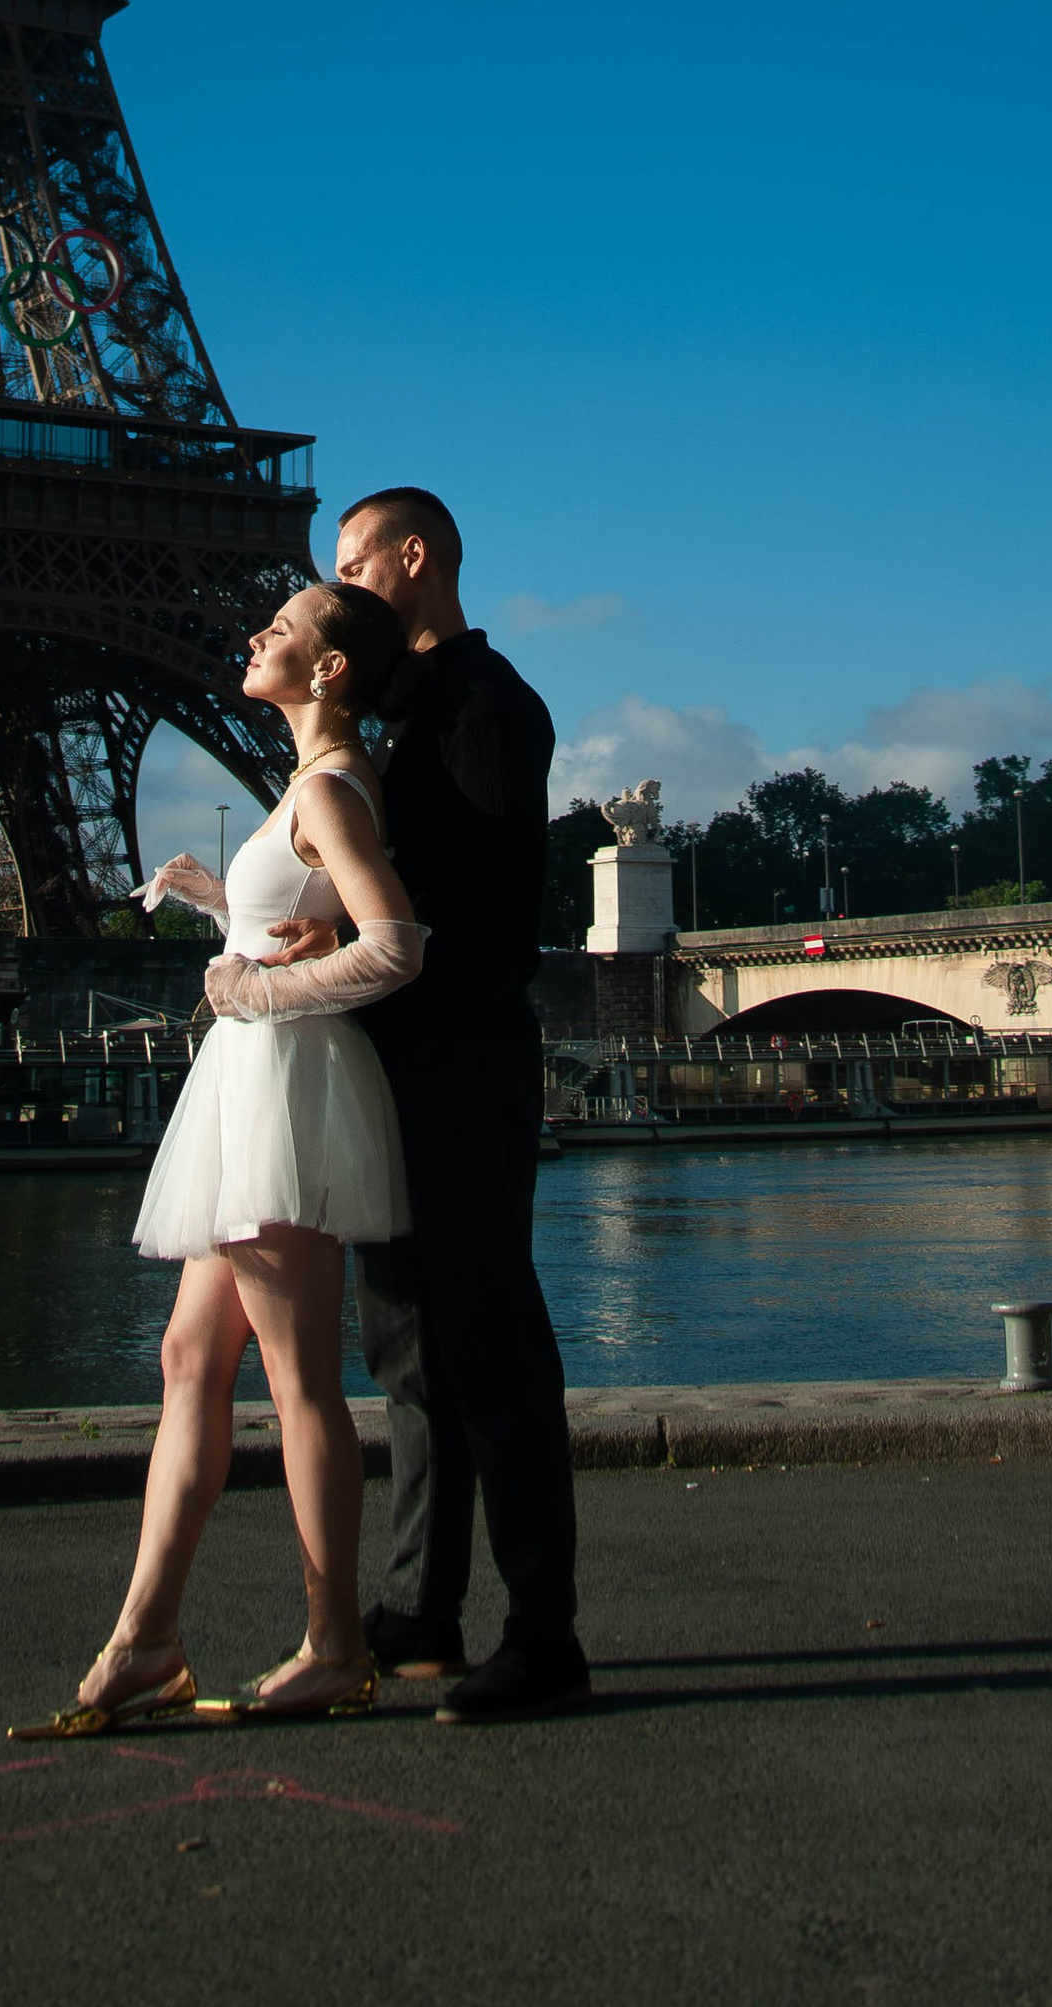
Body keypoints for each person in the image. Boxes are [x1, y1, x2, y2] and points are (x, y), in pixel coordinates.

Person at [17, 576, 420, 1737]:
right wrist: (219, 914)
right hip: (253, 1081)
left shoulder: (333, 785)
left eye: (282, 628)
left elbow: (395, 947)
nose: (256, 634)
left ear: (331, 668)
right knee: (189, 1355)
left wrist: (256, 983)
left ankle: (333, 1643)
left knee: (298, 1381)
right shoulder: (311, 781)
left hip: (279, 1084)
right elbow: (305, 913)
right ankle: (145, 1639)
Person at [327, 485, 589, 1722]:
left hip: (459, 1054)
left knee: (485, 1343)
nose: (338, 588)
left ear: (413, 556)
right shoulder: (407, 712)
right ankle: (420, 1611)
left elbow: (481, 916)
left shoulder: (483, 707)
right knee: (410, 1350)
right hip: (409, 1057)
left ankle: (544, 1633)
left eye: (354, 561)